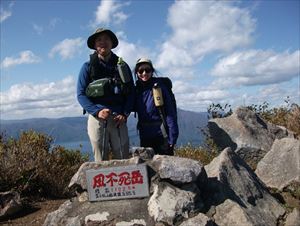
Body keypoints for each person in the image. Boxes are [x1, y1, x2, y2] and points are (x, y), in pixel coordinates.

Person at [77, 28, 134, 161]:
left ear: (112, 43)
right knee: (100, 161)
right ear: (95, 45)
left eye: (106, 39)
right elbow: (80, 94)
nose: (103, 42)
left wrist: (125, 114)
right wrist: (97, 111)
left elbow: (131, 93)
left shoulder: (122, 66)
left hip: (118, 119)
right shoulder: (87, 67)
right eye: (99, 39)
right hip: (97, 119)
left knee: (123, 159)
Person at [134, 58, 179, 155]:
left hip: (161, 135)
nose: (144, 73)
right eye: (141, 71)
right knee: (148, 166)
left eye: (147, 70)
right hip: (145, 135)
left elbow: (170, 112)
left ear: (152, 71)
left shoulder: (159, 88)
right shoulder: (136, 90)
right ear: (137, 73)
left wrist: (173, 136)